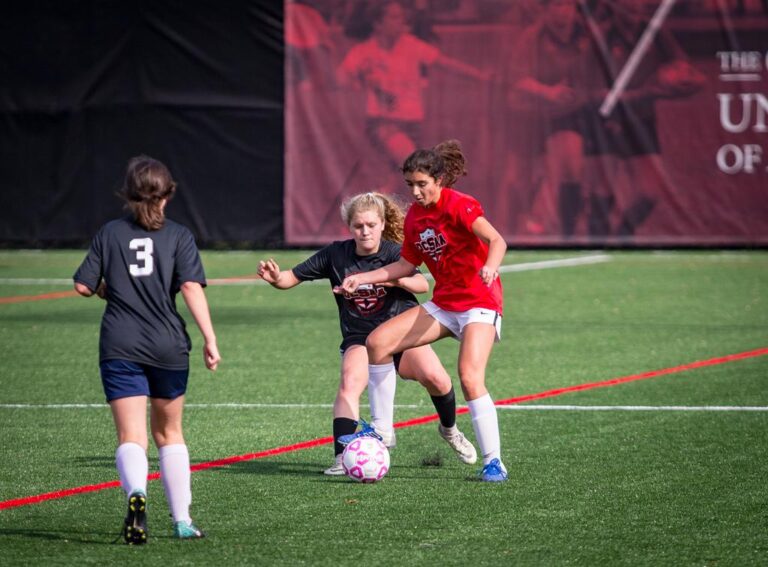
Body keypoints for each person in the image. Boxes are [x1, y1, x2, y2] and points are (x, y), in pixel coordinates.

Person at [258, 191, 477, 475]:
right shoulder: (336, 254)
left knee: (437, 378)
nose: (365, 231)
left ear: (383, 224)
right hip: (360, 336)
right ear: (349, 227)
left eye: (371, 225)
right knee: (350, 382)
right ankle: (341, 457)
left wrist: (390, 280)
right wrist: (276, 278)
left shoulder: (394, 252)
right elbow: (290, 278)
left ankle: (449, 430)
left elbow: (423, 286)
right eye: (358, 226)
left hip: (401, 334)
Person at [336, 140, 509, 482]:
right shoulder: (416, 217)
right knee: (378, 342)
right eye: (410, 185)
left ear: (439, 180)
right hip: (445, 304)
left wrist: (490, 266)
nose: (415, 192)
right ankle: (384, 432)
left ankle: (494, 462)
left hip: (479, 301)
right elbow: (404, 265)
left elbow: (498, 241)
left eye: (422, 184)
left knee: (470, 376)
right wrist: (362, 278)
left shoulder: (460, 205)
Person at [73, 156, 220, 544]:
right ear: (168, 195)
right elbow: (190, 288)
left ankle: (137, 493)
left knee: (131, 435)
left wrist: (110, 288)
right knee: (170, 432)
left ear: (127, 194)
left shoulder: (109, 233)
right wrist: (210, 338)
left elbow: (84, 286)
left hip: (119, 343)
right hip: (168, 345)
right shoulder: (179, 235)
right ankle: (183, 520)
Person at [337, 1, 491, 187]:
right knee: (415, 166)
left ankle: (377, 213)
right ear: (378, 23)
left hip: (413, 123)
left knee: (392, 180)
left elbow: (444, 63)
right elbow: (341, 77)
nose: (401, 22)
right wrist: (361, 80)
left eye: (402, 17)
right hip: (384, 123)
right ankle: (438, 212)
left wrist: (478, 75)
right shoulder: (364, 52)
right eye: (394, 17)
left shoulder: (412, 45)